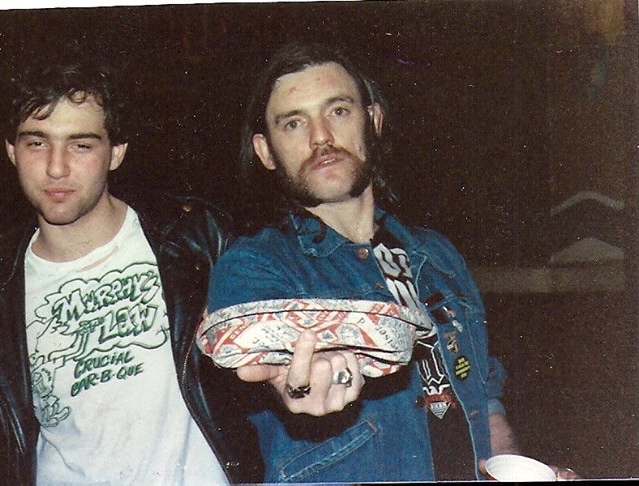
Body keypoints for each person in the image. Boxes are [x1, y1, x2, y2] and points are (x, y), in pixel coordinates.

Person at [204, 41, 577, 482]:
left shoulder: (437, 255)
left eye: (338, 111)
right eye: (294, 123)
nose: (321, 137)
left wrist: (516, 468)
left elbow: (483, 396)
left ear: (374, 121)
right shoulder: (253, 267)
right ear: (266, 151)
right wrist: (295, 381)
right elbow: (264, 361)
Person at [0, 57, 262, 484]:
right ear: (12, 151)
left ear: (116, 152)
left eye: (81, 145)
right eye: (37, 143)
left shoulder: (194, 241)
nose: (56, 167)